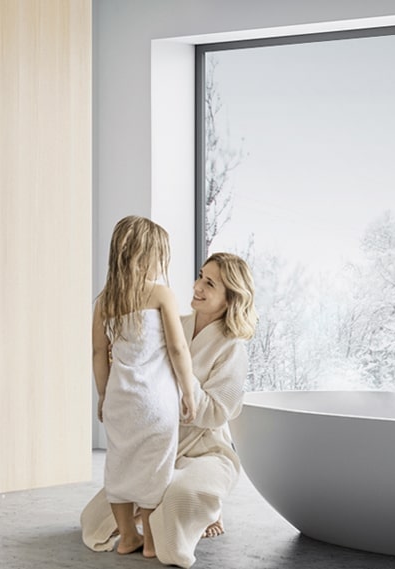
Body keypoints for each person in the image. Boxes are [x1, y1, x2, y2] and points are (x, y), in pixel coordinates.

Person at [82, 252, 257, 568]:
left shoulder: (232, 348)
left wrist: (179, 370)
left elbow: (216, 413)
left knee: (177, 497)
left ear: (231, 298)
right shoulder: (174, 323)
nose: (197, 286)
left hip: (206, 452)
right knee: (95, 520)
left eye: (210, 284)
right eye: (200, 276)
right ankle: (157, 512)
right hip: (159, 444)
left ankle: (207, 507)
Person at [92, 216, 197, 558]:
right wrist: (188, 392)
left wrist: (103, 395)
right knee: (154, 470)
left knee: (119, 465)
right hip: (156, 402)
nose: (161, 264)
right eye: (160, 257)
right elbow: (178, 349)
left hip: (120, 400)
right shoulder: (161, 294)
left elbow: (99, 354)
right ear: (145, 257)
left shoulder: (104, 302)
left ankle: (127, 537)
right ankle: (151, 541)